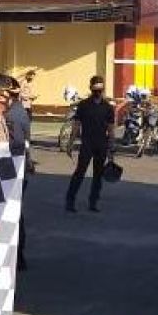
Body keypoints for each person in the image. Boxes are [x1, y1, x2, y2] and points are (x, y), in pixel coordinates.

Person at [65, 76, 115, 213]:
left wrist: (112, 149)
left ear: (103, 89)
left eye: (100, 90)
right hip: (87, 144)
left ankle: (93, 202)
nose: (98, 93)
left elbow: (111, 129)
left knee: (98, 175)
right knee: (80, 172)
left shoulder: (108, 107)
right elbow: (76, 126)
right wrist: (70, 143)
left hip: (102, 145)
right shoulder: (83, 105)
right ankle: (70, 200)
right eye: (96, 90)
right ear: (91, 89)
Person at [5, 77, 31, 272]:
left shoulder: (11, 116)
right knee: (16, 214)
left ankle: (16, 256)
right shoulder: (20, 111)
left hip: (11, 170)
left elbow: (16, 144)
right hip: (20, 168)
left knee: (11, 214)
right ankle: (19, 254)